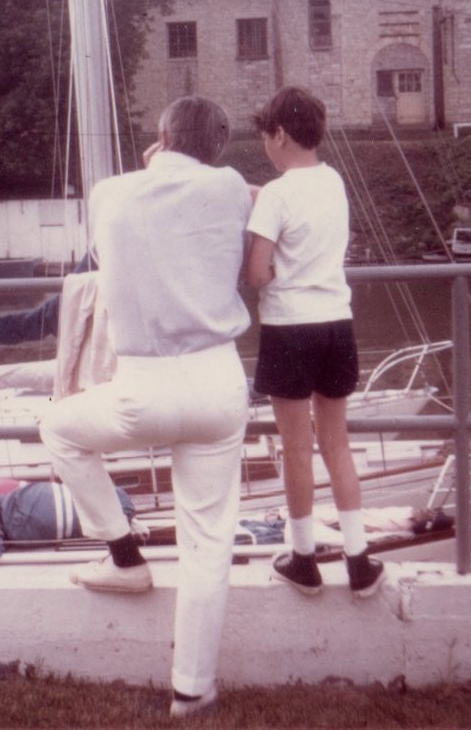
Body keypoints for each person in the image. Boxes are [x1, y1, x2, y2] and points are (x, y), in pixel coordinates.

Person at [40, 95, 253, 719]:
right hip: (216, 381)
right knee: (206, 544)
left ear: (160, 136)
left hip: (142, 386)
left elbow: (127, 234)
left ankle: (123, 552)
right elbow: (241, 197)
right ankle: (192, 689)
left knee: (60, 429)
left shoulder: (110, 193)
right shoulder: (231, 188)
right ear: (218, 147)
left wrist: (156, 160)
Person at [244, 85, 384, 598]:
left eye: (266, 136)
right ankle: (359, 560)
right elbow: (298, 208)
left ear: (279, 134)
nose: (265, 145)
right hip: (336, 324)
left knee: (297, 449)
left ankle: (303, 558)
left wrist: (272, 259)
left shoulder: (276, 195)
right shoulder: (333, 181)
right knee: (336, 445)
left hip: (289, 329)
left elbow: (257, 274)